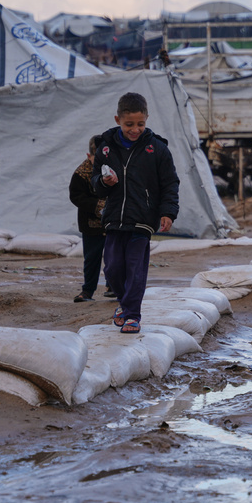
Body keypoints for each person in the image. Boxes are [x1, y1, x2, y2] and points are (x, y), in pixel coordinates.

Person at [91, 92, 180, 334]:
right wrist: (104, 182)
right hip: (114, 220)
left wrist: (168, 212)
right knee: (112, 268)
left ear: (147, 119)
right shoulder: (106, 148)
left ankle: (132, 316)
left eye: (140, 124)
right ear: (117, 119)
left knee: (135, 269)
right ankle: (124, 305)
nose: (135, 129)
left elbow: (170, 183)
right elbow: (95, 182)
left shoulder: (157, 149)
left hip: (143, 219)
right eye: (129, 124)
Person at [68, 136, 114, 302]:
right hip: (91, 224)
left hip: (113, 223)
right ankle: (87, 291)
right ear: (89, 156)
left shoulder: (113, 169)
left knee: (114, 256)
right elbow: (76, 196)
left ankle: (113, 286)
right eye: (97, 159)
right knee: (92, 258)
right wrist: (98, 205)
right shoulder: (81, 173)